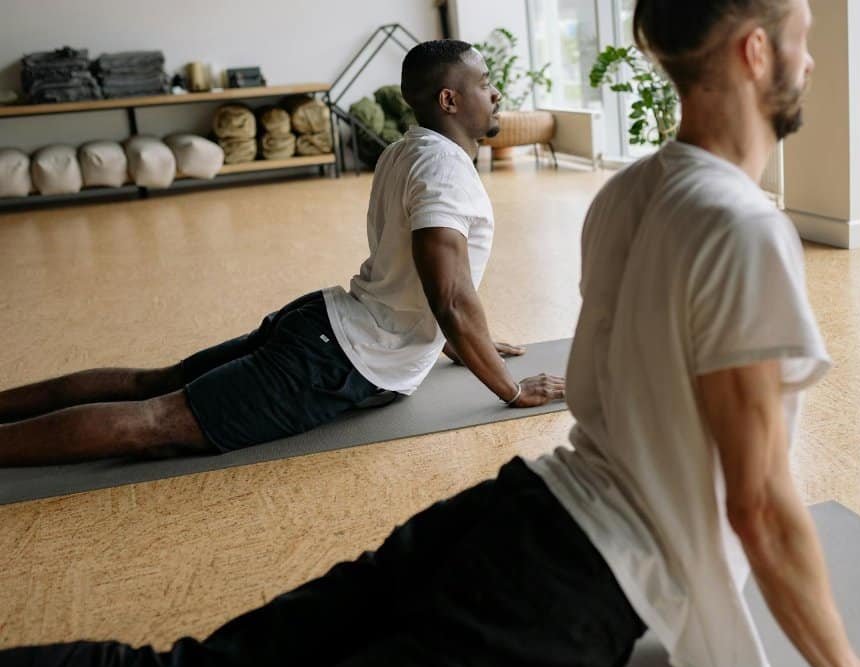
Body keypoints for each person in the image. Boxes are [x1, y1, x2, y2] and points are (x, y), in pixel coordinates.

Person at [0, 3, 860, 667]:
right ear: (752, 51)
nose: (811, 57)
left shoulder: (632, 191)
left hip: (512, 512)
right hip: (566, 586)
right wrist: (844, 666)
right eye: (802, 34)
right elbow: (761, 505)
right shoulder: (742, 228)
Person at [0, 40, 565, 467]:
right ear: (449, 98)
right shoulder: (445, 171)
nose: (495, 92)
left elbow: (415, 278)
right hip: (333, 360)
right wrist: (510, 388)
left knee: (152, 384)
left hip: (323, 322)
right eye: (485, 81)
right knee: (153, 421)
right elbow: (449, 295)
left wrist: (462, 347)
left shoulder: (410, 150)